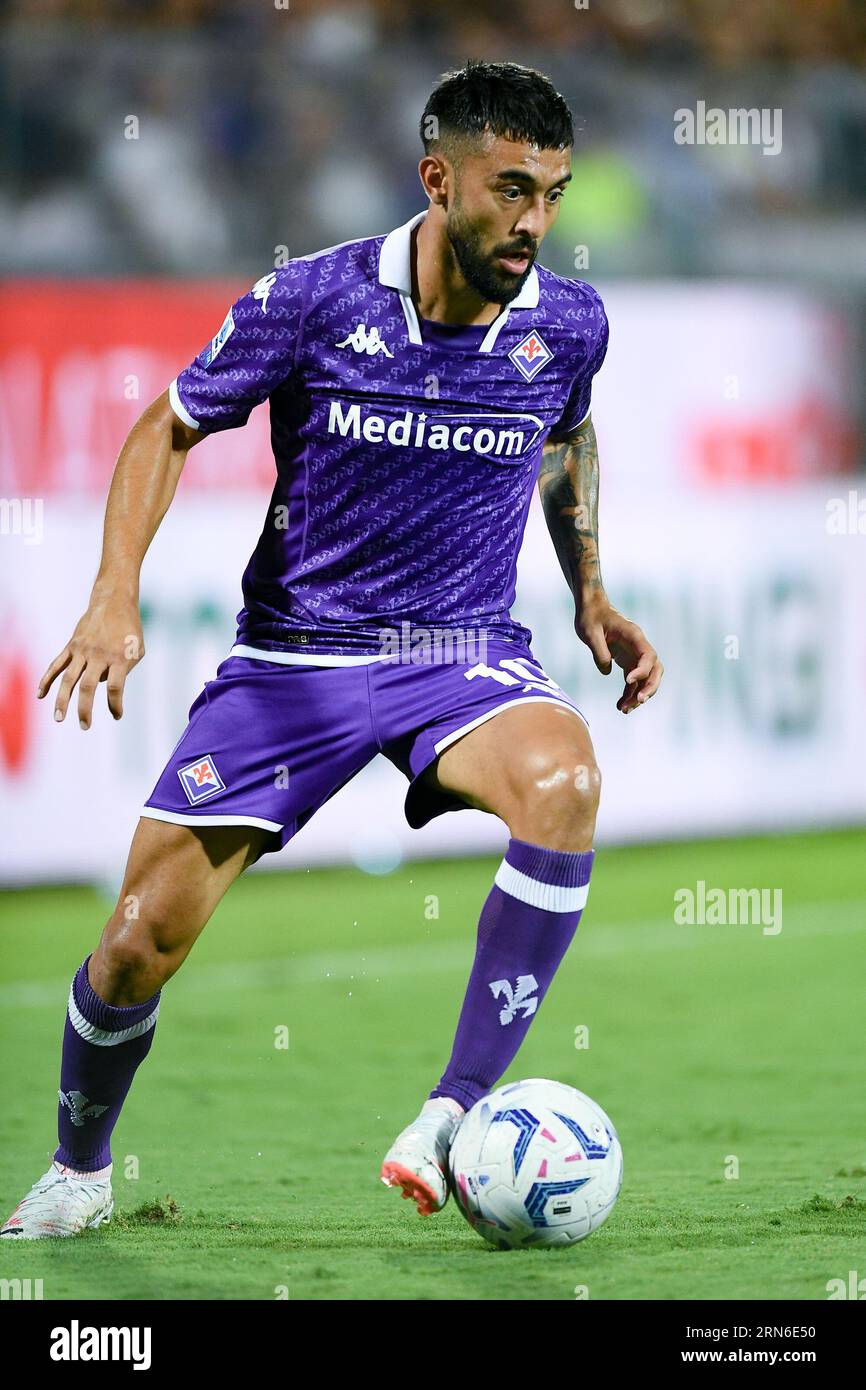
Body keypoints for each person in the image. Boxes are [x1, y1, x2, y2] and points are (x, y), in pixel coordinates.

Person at [2, 60, 661, 1239]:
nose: (532, 222)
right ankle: (80, 1165)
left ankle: (452, 1112)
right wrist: (113, 596)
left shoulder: (566, 323)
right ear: (436, 177)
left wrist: (591, 591)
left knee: (563, 781)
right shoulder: (310, 299)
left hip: (458, 652)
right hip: (292, 661)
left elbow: (568, 438)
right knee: (136, 943)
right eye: (509, 189)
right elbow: (169, 423)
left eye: (552, 194)